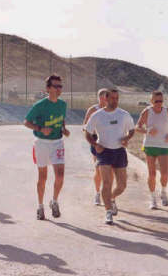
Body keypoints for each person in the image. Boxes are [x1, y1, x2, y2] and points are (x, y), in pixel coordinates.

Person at [23, 74, 71, 220]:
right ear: (48, 89)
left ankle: (54, 202)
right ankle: (40, 206)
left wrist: (64, 129)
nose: (58, 89)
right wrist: (40, 128)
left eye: (60, 86)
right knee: (42, 177)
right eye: (55, 86)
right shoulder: (40, 106)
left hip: (57, 143)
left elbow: (61, 120)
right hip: (42, 143)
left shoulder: (63, 105)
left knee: (60, 175)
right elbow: (26, 122)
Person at [85, 88, 135, 225]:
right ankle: (108, 212)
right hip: (104, 152)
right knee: (106, 183)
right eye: (112, 98)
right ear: (106, 99)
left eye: (117, 98)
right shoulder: (97, 115)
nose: (115, 101)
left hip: (119, 151)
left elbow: (132, 130)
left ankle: (112, 198)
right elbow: (87, 133)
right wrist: (95, 145)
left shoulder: (124, 114)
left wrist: (127, 138)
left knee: (122, 185)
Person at [136, 91, 168, 209]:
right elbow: (137, 127)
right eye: (156, 101)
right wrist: (148, 131)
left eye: (161, 101)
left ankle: (163, 192)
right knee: (152, 174)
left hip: (164, 145)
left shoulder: (167, 111)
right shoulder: (147, 112)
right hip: (150, 145)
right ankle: (152, 199)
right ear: (151, 101)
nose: (159, 103)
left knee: (165, 174)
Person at [82, 88, 109, 205]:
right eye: (102, 97)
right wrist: (92, 132)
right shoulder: (93, 110)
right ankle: (97, 194)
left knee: (109, 170)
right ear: (99, 98)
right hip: (96, 142)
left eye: (107, 97)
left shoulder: (112, 110)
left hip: (110, 142)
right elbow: (84, 125)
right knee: (98, 169)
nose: (105, 100)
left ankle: (108, 195)